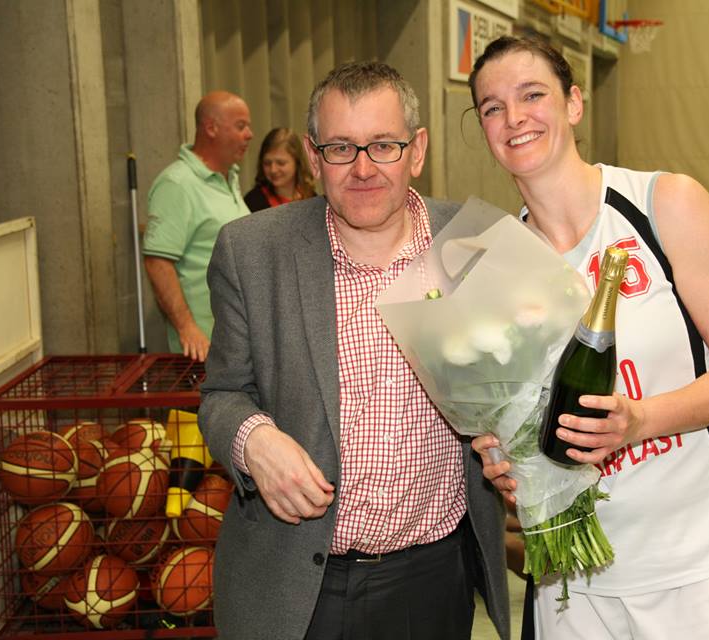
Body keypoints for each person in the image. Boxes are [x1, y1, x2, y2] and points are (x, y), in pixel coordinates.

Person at [468, 36, 709, 640]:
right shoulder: (494, 263)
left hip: (694, 565)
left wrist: (638, 420)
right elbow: (510, 413)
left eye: (533, 95)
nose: (514, 118)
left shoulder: (664, 204)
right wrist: (501, 457)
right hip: (567, 581)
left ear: (574, 103)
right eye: (492, 107)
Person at [198, 61, 510, 640]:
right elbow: (221, 395)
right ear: (314, 159)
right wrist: (253, 440)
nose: (363, 168)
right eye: (341, 148)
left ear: (417, 150)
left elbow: (512, 394)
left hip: (433, 577)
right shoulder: (253, 251)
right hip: (300, 584)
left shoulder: (471, 247)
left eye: (383, 146)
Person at [142, 91, 253, 362]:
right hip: (202, 349)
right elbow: (158, 262)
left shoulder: (230, 178)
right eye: (240, 126)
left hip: (233, 339)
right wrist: (187, 328)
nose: (249, 134)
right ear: (211, 128)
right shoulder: (178, 184)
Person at [243, 127, 317, 212]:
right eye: (267, 163)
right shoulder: (253, 201)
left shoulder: (312, 198)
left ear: (297, 162)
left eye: (281, 163)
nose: (273, 170)